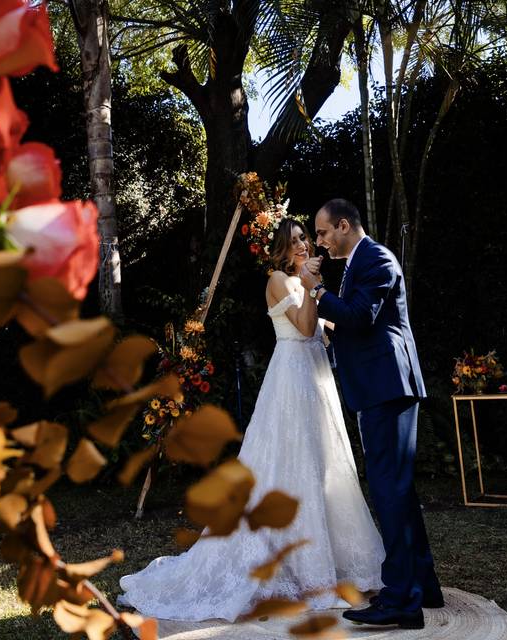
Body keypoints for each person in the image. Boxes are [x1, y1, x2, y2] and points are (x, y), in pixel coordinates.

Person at [118, 219, 384, 622]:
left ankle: (334, 563)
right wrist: (313, 288)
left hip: (316, 381)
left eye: (303, 239)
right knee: (288, 466)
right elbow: (306, 326)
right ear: (279, 250)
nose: (301, 245)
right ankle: (299, 569)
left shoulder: (307, 283)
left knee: (323, 465)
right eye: (292, 241)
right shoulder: (279, 279)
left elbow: (327, 330)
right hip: (291, 380)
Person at [299, 198, 442, 630]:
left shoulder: (375, 258)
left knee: (388, 490)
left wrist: (316, 291)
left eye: (323, 233)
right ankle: (422, 584)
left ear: (343, 225)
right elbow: (355, 325)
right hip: (378, 387)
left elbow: (360, 318)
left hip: (387, 387)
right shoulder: (359, 263)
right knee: (397, 490)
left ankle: (401, 601)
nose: (319, 242)